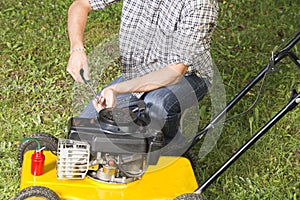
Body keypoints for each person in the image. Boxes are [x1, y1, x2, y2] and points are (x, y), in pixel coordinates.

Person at [66, 0, 218, 145]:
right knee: (84, 132)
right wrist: (76, 49)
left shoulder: (200, 4)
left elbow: (175, 72)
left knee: (157, 107)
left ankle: (173, 149)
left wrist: (117, 89)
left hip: (188, 76)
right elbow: (81, 4)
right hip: (138, 73)